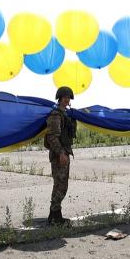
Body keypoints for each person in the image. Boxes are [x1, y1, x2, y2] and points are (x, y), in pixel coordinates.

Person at [44, 86, 77, 226]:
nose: (67, 99)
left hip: (64, 152)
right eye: (64, 97)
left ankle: (54, 216)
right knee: (60, 186)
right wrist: (61, 153)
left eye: (68, 97)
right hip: (59, 155)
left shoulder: (66, 114)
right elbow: (52, 137)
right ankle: (55, 217)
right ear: (59, 98)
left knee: (61, 185)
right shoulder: (56, 115)